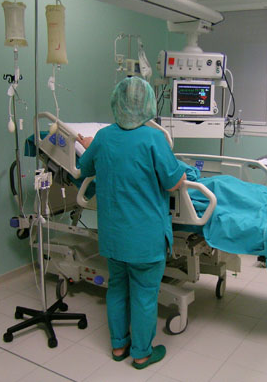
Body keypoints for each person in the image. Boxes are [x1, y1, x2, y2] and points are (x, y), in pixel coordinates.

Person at [77, 76, 186, 369]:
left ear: (117, 102)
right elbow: (173, 182)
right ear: (147, 104)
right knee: (144, 296)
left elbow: (83, 167)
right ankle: (141, 353)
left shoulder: (103, 138)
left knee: (117, 288)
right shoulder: (154, 139)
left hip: (113, 237)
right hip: (145, 239)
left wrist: (89, 145)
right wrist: (181, 174)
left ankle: (118, 346)